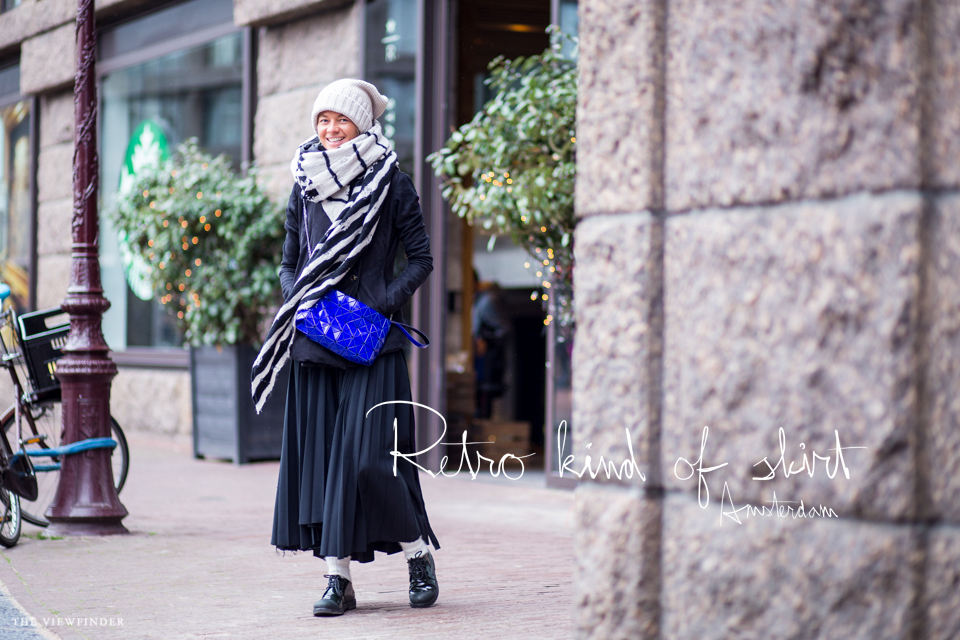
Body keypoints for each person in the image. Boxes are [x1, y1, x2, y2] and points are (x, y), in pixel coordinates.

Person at [250, 78, 439, 617]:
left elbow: (421, 259)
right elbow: (289, 262)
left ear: (363, 124)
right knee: (321, 464)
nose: (330, 130)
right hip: (315, 341)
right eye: (322, 121)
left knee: (368, 461)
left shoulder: (391, 182)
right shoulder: (304, 183)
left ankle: (417, 554)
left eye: (341, 120)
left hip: (371, 343)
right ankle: (339, 579)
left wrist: (379, 306)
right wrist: (302, 301)